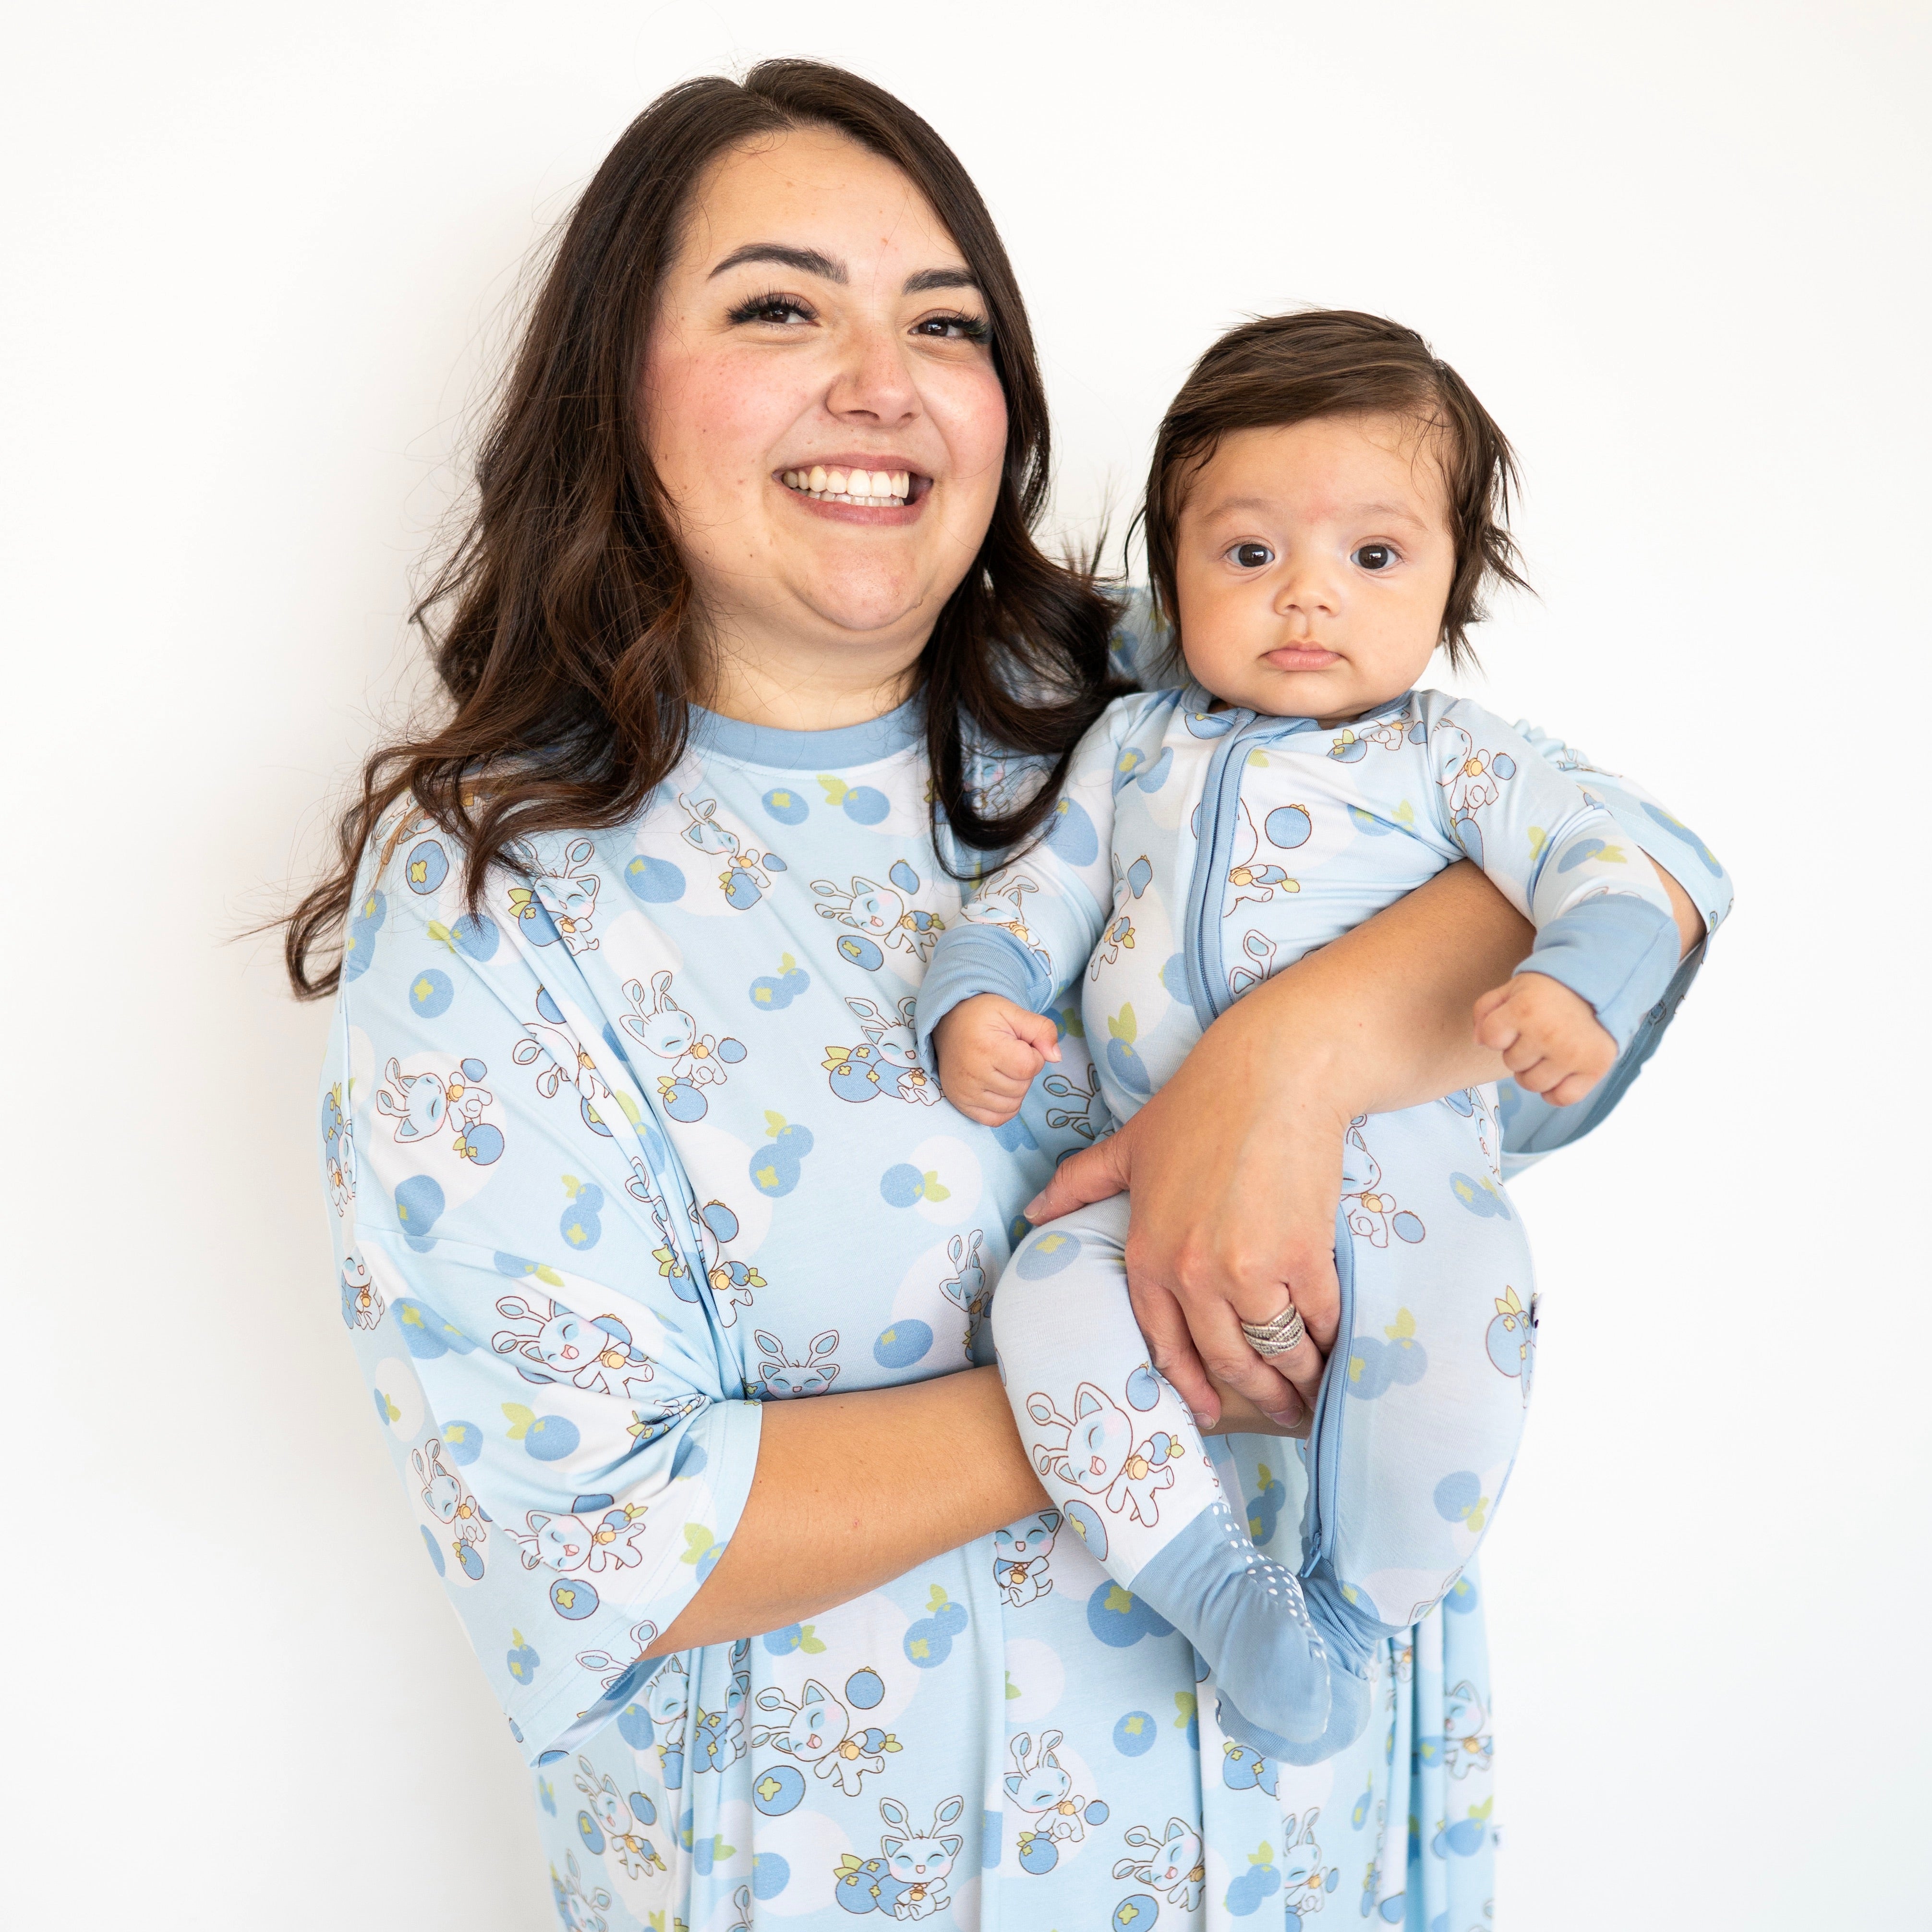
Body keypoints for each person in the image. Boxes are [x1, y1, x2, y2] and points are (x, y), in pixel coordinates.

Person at [289, 60, 1730, 1929]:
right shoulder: (497, 901)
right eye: (778, 307)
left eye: (943, 322)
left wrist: (1279, 1077)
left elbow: (1634, 870)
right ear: (612, 390)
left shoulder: (1162, 691)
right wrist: (1151, 1352)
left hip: (1312, 1858)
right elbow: (592, 1540)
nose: (879, 380)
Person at [923, 309, 1706, 1771]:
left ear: (1455, 579)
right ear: (1174, 571)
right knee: (1046, 1304)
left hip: (1412, 1199)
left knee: (1462, 1370)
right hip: (1144, 1196)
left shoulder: (1454, 758)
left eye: (1374, 556)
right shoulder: (1131, 746)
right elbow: (1034, 895)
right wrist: (975, 996)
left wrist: (1579, 984)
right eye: (1246, 552)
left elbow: (1609, 866)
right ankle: (1221, 1593)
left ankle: (1359, 1619)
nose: (1306, 598)